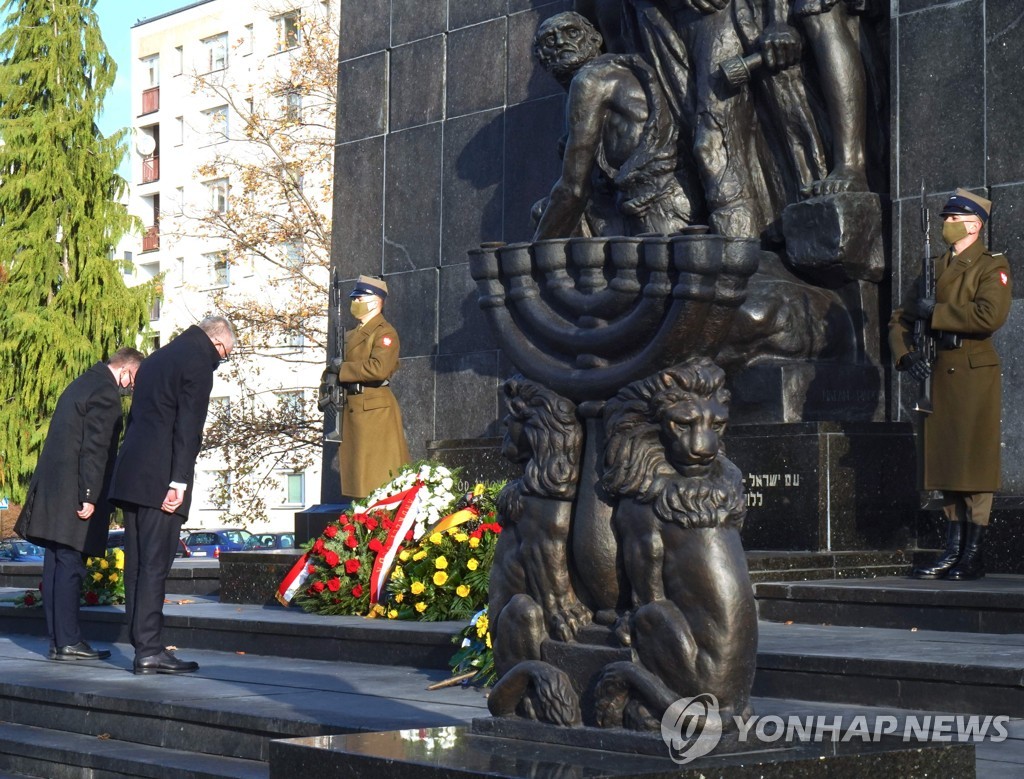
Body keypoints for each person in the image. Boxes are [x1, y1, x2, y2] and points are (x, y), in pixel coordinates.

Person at [889, 189, 1012, 581]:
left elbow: (989, 315)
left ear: (973, 225)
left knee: (971, 464)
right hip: (937, 374)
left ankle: (972, 555)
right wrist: (906, 356)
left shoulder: (991, 265)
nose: (947, 224)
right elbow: (900, 318)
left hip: (973, 376)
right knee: (946, 465)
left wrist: (938, 313)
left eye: (953, 219)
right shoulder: (935, 266)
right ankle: (951, 550)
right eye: (945, 219)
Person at [107, 316, 235, 674]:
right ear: (218, 343)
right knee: (154, 565)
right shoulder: (197, 361)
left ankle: (141, 641)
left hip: (133, 473)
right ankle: (149, 649)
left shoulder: (158, 358)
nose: (220, 361)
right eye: (224, 355)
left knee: (136, 565)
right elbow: (188, 426)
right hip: (161, 480)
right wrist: (179, 481)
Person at [15, 348, 144, 661]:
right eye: (135, 379)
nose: (132, 388)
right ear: (126, 369)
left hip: (54, 491)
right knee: (70, 566)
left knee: (57, 565)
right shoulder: (105, 393)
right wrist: (89, 495)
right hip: (75, 493)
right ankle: (70, 641)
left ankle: (59, 641)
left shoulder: (81, 383)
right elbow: (95, 449)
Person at [532, 11, 692, 240]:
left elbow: (573, 189)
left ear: (596, 40)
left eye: (572, 33)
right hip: (638, 202)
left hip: (658, 208)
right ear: (541, 57)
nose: (560, 43)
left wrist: (534, 254)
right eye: (550, 40)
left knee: (549, 219)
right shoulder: (612, 71)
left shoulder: (589, 79)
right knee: (544, 211)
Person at [332, 275, 409, 500]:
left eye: (359, 297)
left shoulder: (384, 333)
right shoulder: (349, 335)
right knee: (359, 477)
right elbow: (335, 367)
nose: (354, 302)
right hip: (352, 406)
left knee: (374, 477)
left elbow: (379, 368)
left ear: (375, 302)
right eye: (354, 297)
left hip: (373, 410)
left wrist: (343, 369)